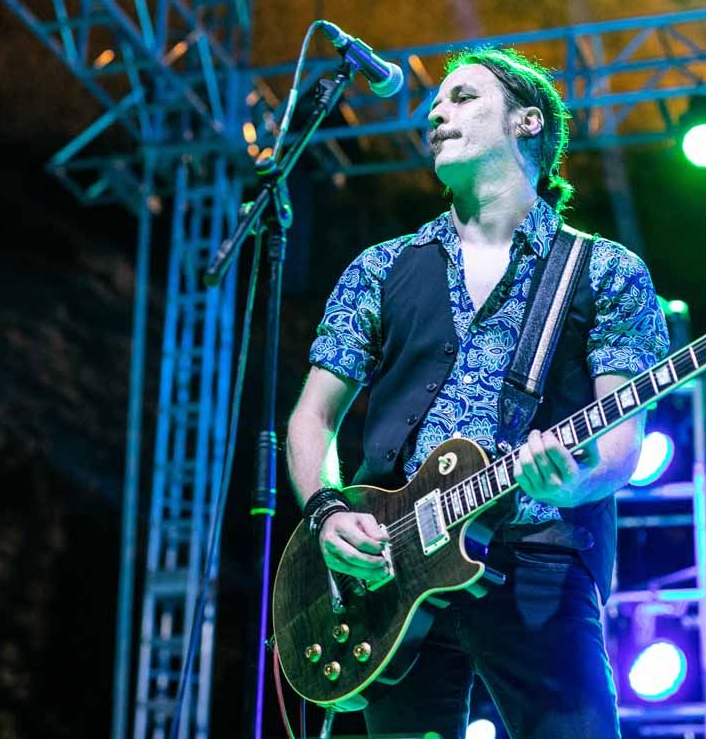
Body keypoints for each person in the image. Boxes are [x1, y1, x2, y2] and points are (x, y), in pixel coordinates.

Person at [286, 46, 668, 739]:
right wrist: (327, 514)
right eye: (436, 103)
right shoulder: (383, 267)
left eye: (462, 97)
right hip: (391, 572)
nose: (437, 111)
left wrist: (572, 482)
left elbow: (622, 442)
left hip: (539, 558)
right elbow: (314, 416)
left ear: (528, 122)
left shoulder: (607, 271)